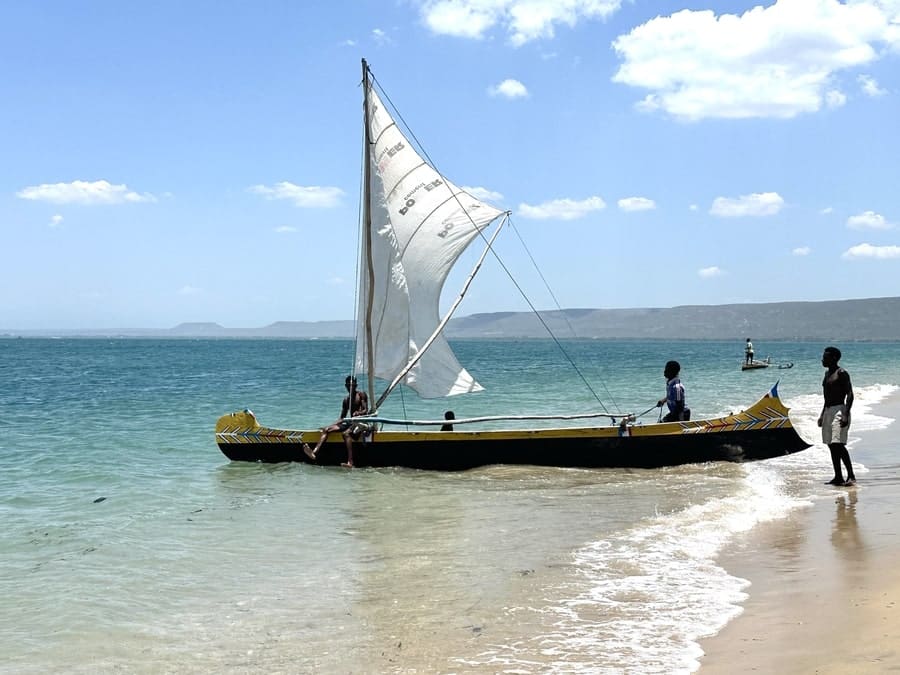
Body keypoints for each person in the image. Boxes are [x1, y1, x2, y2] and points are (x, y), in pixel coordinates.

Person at [303, 375, 370, 468]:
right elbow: (342, 418)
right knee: (326, 430)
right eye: (348, 385)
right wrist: (330, 425)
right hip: (350, 423)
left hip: (360, 423)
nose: (350, 387)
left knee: (346, 434)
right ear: (345, 386)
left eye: (352, 385)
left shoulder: (361, 395)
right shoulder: (346, 400)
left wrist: (358, 412)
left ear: (356, 385)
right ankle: (314, 453)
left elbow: (366, 410)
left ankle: (350, 462)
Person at [818, 346, 855, 486]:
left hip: (840, 410)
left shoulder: (842, 373)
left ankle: (851, 476)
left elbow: (850, 394)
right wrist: (822, 415)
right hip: (828, 411)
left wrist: (845, 414)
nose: (822, 359)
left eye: (825, 357)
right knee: (831, 445)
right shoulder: (827, 374)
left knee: (838, 444)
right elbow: (826, 398)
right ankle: (838, 477)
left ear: (834, 358)